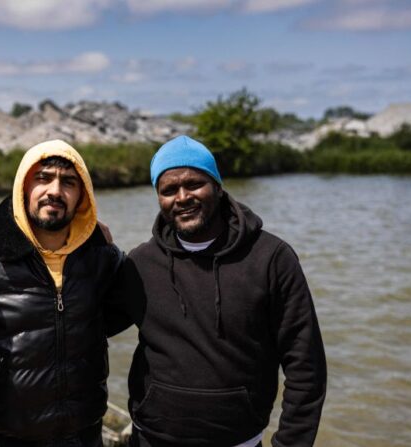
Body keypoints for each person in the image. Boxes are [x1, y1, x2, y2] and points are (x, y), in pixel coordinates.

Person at [109, 135, 327, 447]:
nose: (182, 197)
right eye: (169, 189)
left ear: (218, 186)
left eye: (194, 184)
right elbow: (88, 324)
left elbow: (306, 367)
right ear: (158, 197)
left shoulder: (272, 258)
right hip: (149, 439)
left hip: (240, 441)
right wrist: (87, 245)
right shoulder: (140, 263)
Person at [0, 140, 124, 446]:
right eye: (43, 178)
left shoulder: (102, 257)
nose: (55, 190)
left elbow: (124, 315)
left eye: (68, 182)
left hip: (83, 437)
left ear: (83, 196)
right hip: (4, 439)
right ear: (22, 188)